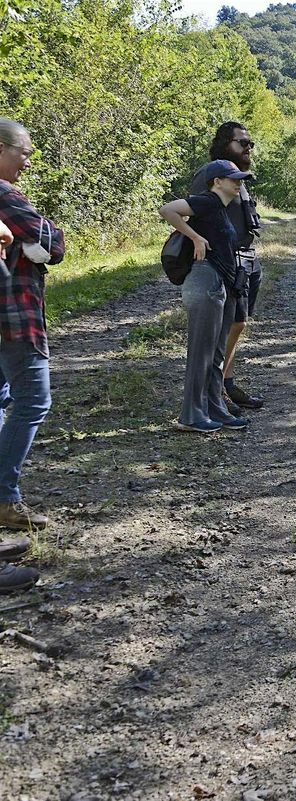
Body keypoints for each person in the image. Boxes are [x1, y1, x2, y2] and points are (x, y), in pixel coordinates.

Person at [0, 118, 64, 593]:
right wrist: (39, 240)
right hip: (13, 316)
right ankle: (4, 494)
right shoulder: (4, 193)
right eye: (23, 151)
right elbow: (52, 241)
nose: (27, 159)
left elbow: (41, 242)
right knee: (33, 399)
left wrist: (34, 241)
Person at [160, 160, 254, 433]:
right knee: (201, 352)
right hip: (204, 281)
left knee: (215, 353)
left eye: (240, 179)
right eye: (233, 178)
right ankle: (191, 415)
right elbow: (167, 210)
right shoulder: (208, 201)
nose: (239, 183)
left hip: (220, 284)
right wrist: (194, 238)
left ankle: (215, 408)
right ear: (217, 182)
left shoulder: (221, 209)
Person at [190, 121, 264, 413]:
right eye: (241, 143)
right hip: (221, 264)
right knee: (218, 332)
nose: (248, 148)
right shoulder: (210, 175)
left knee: (238, 323)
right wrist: (197, 240)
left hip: (244, 262)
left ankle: (226, 383)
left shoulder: (238, 179)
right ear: (224, 145)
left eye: (250, 144)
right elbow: (188, 211)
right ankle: (213, 394)